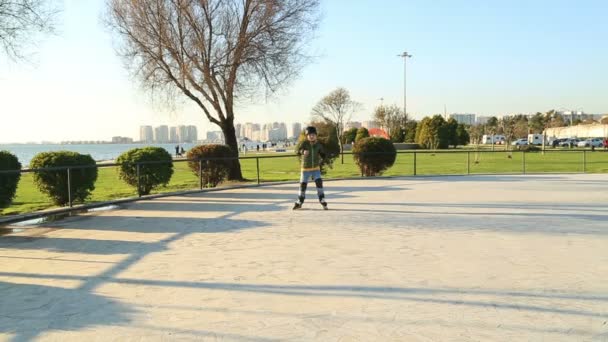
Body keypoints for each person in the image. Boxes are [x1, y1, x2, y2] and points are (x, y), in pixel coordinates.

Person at [293, 126, 328, 210]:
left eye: (313, 134)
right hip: (305, 169)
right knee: (303, 186)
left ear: (316, 135)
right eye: (309, 135)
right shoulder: (304, 143)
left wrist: (323, 158)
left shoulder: (318, 145)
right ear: (307, 136)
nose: (311, 136)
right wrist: (302, 151)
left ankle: (322, 199)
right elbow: (296, 151)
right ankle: (300, 201)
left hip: (315, 169)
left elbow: (323, 154)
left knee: (319, 184)